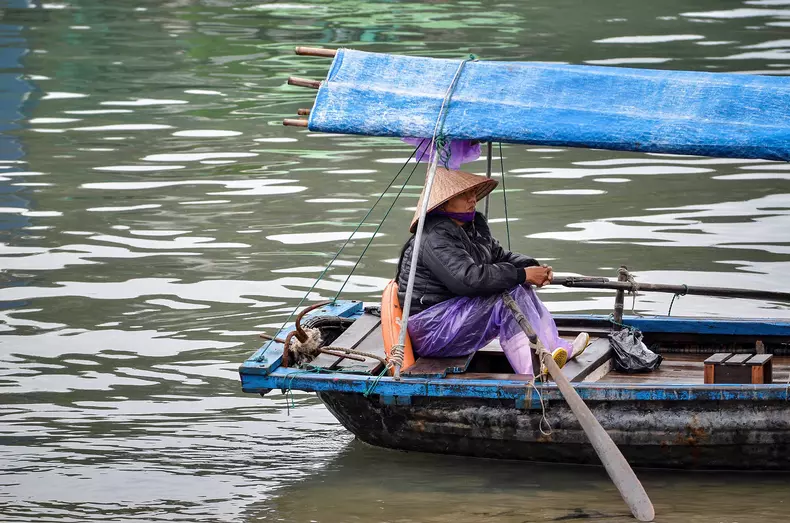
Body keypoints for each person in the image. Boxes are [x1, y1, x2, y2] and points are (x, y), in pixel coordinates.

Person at [396, 167, 589, 377]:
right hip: (432, 329)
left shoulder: (471, 227)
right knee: (507, 298)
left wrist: (533, 268)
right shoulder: (434, 237)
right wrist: (523, 274)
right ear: (443, 203)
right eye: (463, 195)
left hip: (456, 312)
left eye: (473, 193)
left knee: (519, 285)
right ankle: (533, 368)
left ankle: (552, 348)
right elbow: (467, 279)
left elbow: (499, 256)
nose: (472, 199)